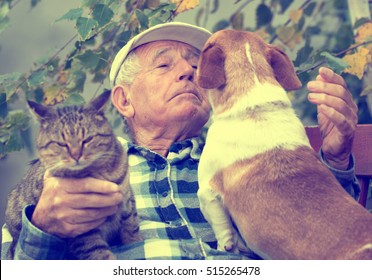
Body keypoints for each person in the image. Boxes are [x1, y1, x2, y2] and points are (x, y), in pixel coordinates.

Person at [1, 22, 360, 260]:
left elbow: (327, 238)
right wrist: (43, 227)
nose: (189, 71)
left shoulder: (244, 160)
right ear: (123, 101)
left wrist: (337, 157)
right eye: (164, 65)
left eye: (197, 64)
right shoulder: (79, 173)